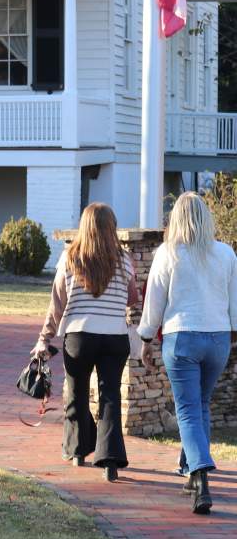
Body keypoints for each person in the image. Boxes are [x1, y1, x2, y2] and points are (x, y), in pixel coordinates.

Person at [138, 192, 237, 515]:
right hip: (218, 337)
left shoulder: (168, 253)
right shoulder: (226, 254)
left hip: (181, 337)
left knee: (188, 408)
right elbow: (234, 301)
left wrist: (145, 338)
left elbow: (154, 303)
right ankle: (189, 470)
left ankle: (200, 475)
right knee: (200, 405)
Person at [32, 203, 139, 482]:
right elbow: (132, 298)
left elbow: (57, 303)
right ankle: (110, 460)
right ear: (111, 227)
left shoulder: (70, 257)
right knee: (110, 396)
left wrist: (44, 338)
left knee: (77, 393)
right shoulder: (124, 259)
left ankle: (78, 451)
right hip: (115, 337)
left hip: (79, 337)